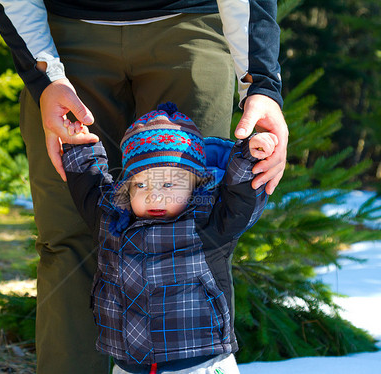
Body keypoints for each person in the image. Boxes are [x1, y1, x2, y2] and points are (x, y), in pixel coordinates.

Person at [0, 1, 288, 372]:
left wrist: (261, 83)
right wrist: (45, 77)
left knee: (196, 226)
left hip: (191, 25)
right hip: (64, 30)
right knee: (70, 239)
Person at [61, 102, 277, 373]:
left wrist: (249, 157)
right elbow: (88, 185)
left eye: (168, 184)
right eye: (140, 184)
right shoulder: (112, 219)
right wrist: (78, 147)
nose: (154, 195)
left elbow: (241, 198)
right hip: (130, 365)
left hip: (198, 361)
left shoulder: (208, 223)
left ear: (196, 184)